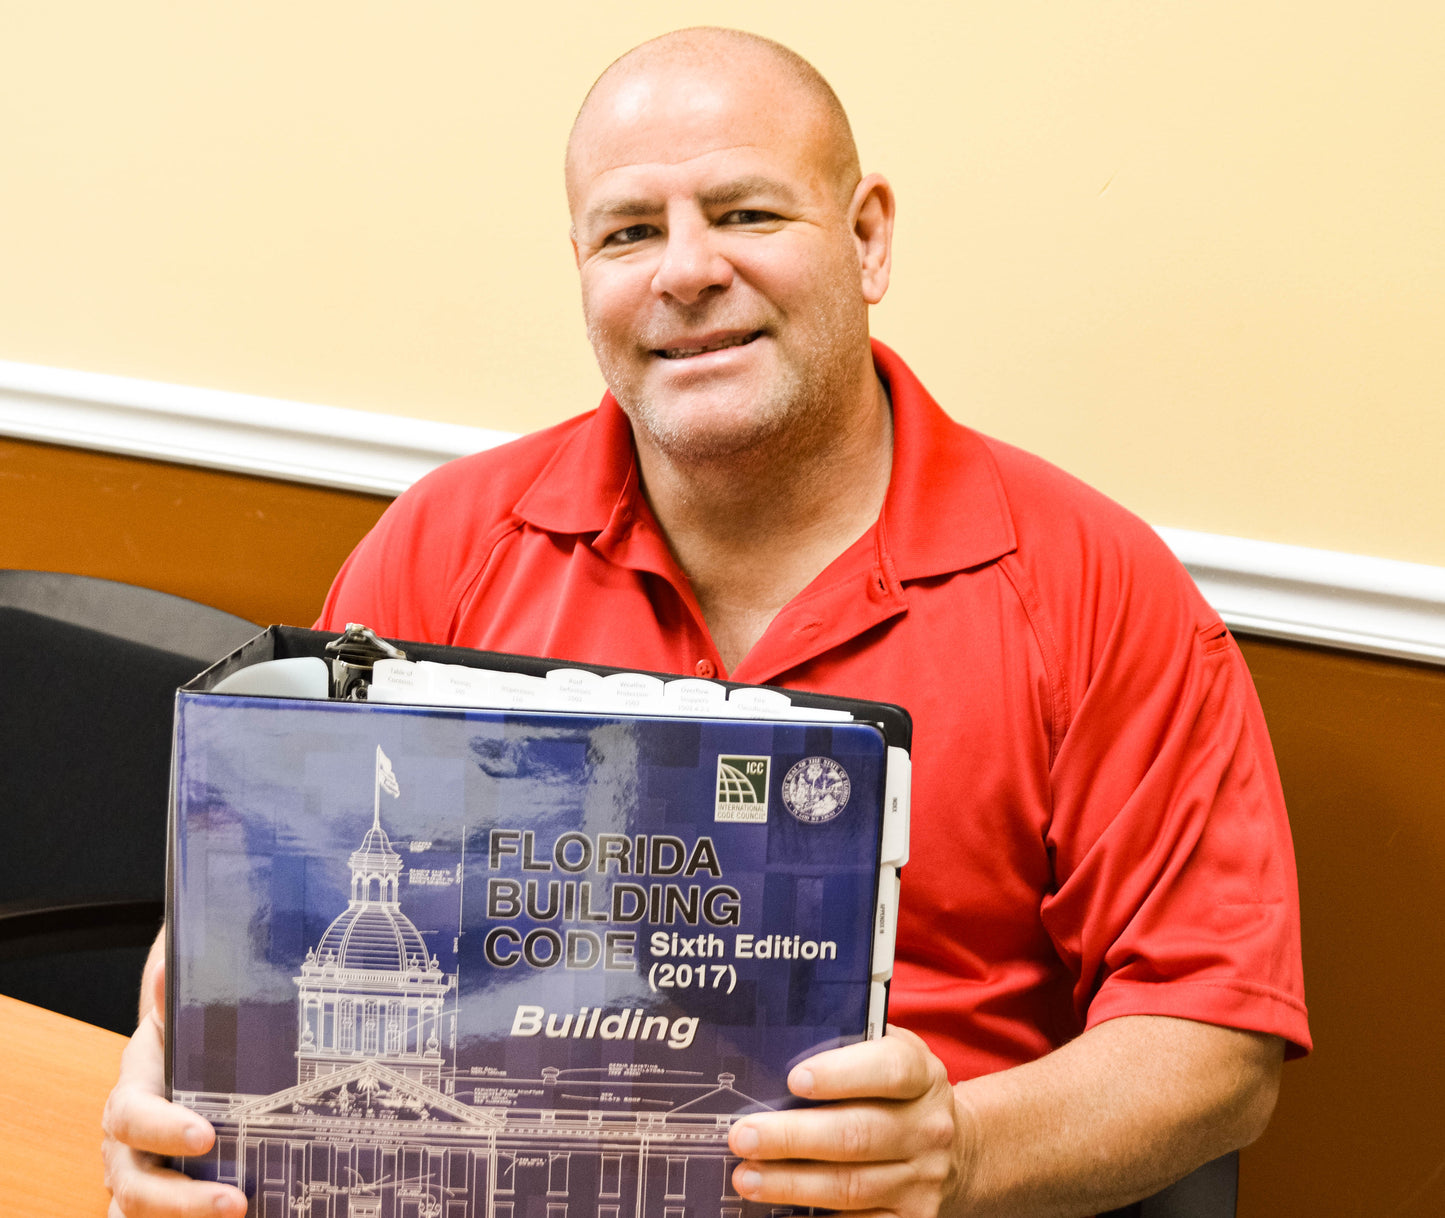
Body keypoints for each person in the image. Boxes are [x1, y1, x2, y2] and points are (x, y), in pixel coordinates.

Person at [102, 27, 1309, 1218]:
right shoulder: (446, 543)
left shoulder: (1090, 584)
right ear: (582, 270)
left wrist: (963, 1152)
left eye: (743, 214)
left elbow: (1216, 1039)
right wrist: (167, 1084)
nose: (684, 271)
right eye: (630, 232)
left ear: (867, 236)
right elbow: (245, 923)